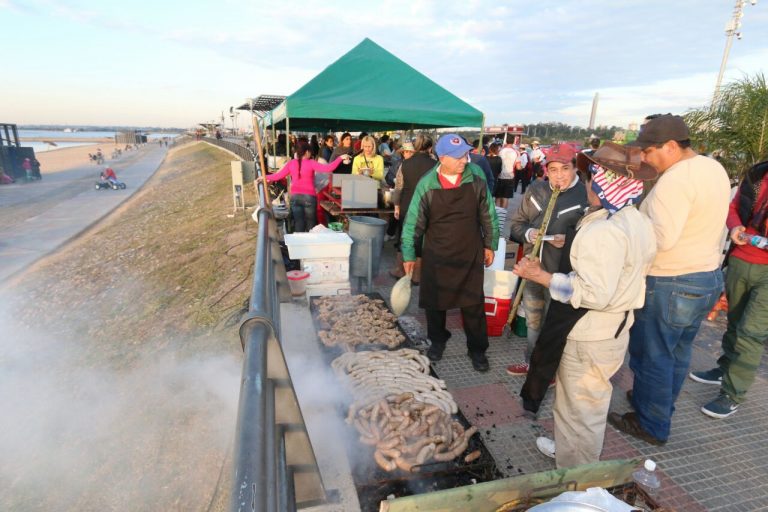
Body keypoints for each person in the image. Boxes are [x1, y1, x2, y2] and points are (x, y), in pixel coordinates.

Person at [514, 142, 657, 468]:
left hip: (591, 334)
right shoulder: (637, 220)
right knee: (580, 404)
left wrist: (541, 276)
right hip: (615, 329)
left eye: (592, 177)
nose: (588, 184)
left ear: (605, 182)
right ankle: (568, 449)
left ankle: (576, 479)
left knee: (580, 411)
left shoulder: (605, 231)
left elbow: (592, 292)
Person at [608, 114, 730, 445]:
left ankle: (651, 423)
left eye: (649, 151)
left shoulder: (674, 181)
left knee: (653, 355)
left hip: (670, 280)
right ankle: (658, 404)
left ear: (671, 146)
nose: (646, 158)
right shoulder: (712, 168)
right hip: (706, 276)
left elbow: (660, 239)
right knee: (677, 351)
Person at [401, 134, 498, 373]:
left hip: (469, 249)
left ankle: (477, 349)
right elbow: (413, 222)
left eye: (465, 154)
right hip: (437, 251)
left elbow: (488, 213)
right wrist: (408, 253)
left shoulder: (476, 175)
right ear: (442, 158)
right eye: (458, 157)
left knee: (473, 304)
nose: (464, 160)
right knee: (435, 302)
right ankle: (438, 340)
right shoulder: (427, 183)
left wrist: (490, 244)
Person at [689, 159, 768, 418]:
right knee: (734, 323)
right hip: (740, 260)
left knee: (750, 333)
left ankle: (733, 393)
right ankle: (725, 370)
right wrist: (734, 226)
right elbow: (733, 207)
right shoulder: (758, 174)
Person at [506, 145, 589, 377]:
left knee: (555, 324)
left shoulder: (584, 194)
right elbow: (516, 224)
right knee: (533, 321)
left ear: (575, 168)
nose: (559, 175)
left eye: (565, 168)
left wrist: (569, 241)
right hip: (532, 270)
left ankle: (551, 371)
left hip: (561, 274)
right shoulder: (536, 189)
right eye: (553, 169)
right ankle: (532, 363)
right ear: (546, 170)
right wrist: (528, 233)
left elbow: (593, 239)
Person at [257, 139, 350, 232]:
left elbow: (277, 176)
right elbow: (329, 168)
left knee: (299, 223)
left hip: (295, 198)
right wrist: (340, 158)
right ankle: (310, 239)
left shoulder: (291, 163)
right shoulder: (311, 163)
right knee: (311, 225)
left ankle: (299, 240)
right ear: (307, 152)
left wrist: (264, 177)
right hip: (309, 198)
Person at [391, 137, 432, 282]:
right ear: (430, 148)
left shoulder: (405, 164)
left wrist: (396, 206)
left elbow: (398, 187)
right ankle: (417, 275)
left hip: (407, 205)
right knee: (422, 239)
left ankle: (400, 270)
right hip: (427, 206)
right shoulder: (436, 165)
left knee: (404, 236)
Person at [495, 143, 518, 208]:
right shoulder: (515, 152)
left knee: (498, 197)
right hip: (510, 177)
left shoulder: (500, 151)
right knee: (505, 197)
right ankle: (503, 213)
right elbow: (518, 167)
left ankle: (497, 213)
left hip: (500, 176)